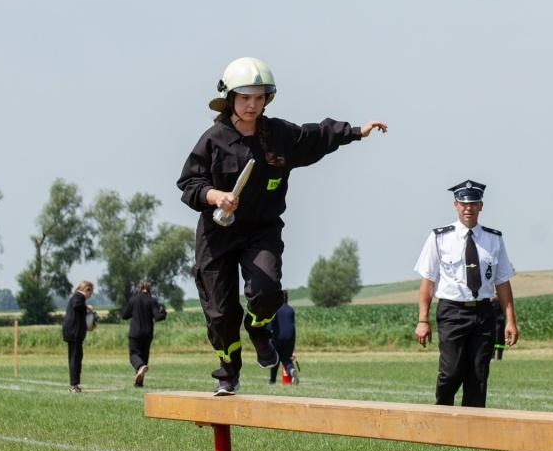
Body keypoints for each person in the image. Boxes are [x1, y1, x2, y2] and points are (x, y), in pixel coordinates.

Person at [177, 57, 387, 395]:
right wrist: (217, 196)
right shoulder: (212, 139)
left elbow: (316, 136)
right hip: (217, 235)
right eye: (245, 97)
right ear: (230, 97)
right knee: (219, 314)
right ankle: (229, 370)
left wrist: (356, 132)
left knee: (267, 292)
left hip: (262, 231)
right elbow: (189, 183)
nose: (252, 104)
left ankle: (258, 327)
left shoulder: (278, 134)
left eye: (260, 98)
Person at [413, 180, 518, 408]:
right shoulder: (439, 238)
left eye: (473, 203)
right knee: (452, 372)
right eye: (463, 203)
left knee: (478, 375)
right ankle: (442, 414)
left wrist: (510, 320)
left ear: (481, 206)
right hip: (452, 312)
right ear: (455, 205)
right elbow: (428, 282)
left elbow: (502, 282)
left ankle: (472, 429)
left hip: (483, 312)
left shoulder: (494, 239)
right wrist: (423, 320)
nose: (468, 208)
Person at [121, 281, 167, 387]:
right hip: (147, 332)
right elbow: (158, 316)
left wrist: (129, 305)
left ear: (138, 289)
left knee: (134, 355)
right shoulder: (152, 300)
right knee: (144, 356)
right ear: (149, 289)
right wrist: (163, 312)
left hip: (135, 332)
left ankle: (140, 367)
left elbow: (124, 315)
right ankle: (139, 382)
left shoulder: (133, 300)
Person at [62, 281, 94, 393]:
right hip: (74, 332)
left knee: (76, 357)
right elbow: (77, 305)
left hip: (73, 332)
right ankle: (74, 385)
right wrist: (87, 307)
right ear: (87, 290)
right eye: (91, 292)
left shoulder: (77, 296)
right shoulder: (79, 296)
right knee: (75, 358)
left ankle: (75, 384)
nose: (90, 296)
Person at [267, 289, 298, 385]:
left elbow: (270, 325)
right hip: (290, 338)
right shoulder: (290, 309)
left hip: (277, 337)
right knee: (286, 358)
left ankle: (272, 380)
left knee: (275, 358)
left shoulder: (274, 309)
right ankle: (291, 370)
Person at [490, 295, 506, 360]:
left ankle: (498, 357)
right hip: (496, 323)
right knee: (495, 340)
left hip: (499, 323)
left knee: (500, 341)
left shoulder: (500, 302)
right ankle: (494, 357)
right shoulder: (494, 302)